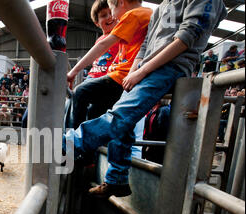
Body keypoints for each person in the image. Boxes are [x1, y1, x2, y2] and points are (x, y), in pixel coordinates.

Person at [64, 0, 227, 198]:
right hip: (144, 68)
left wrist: (142, 72)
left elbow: (187, 37)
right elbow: (146, 45)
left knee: (119, 116)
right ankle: (117, 179)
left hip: (172, 66)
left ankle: (67, 144)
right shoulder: (163, 6)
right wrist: (134, 72)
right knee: (123, 121)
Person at [67, 0, 150, 161]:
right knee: (94, 112)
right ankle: (88, 157)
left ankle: (70, 145)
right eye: (104, 15)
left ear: (121, 3)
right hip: (125, 77)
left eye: (111, 10)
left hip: (120, 77)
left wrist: (74, 71)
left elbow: (105, 44)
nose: (112, 16)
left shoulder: (132, 15)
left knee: (80, 92)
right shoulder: (146, 15)